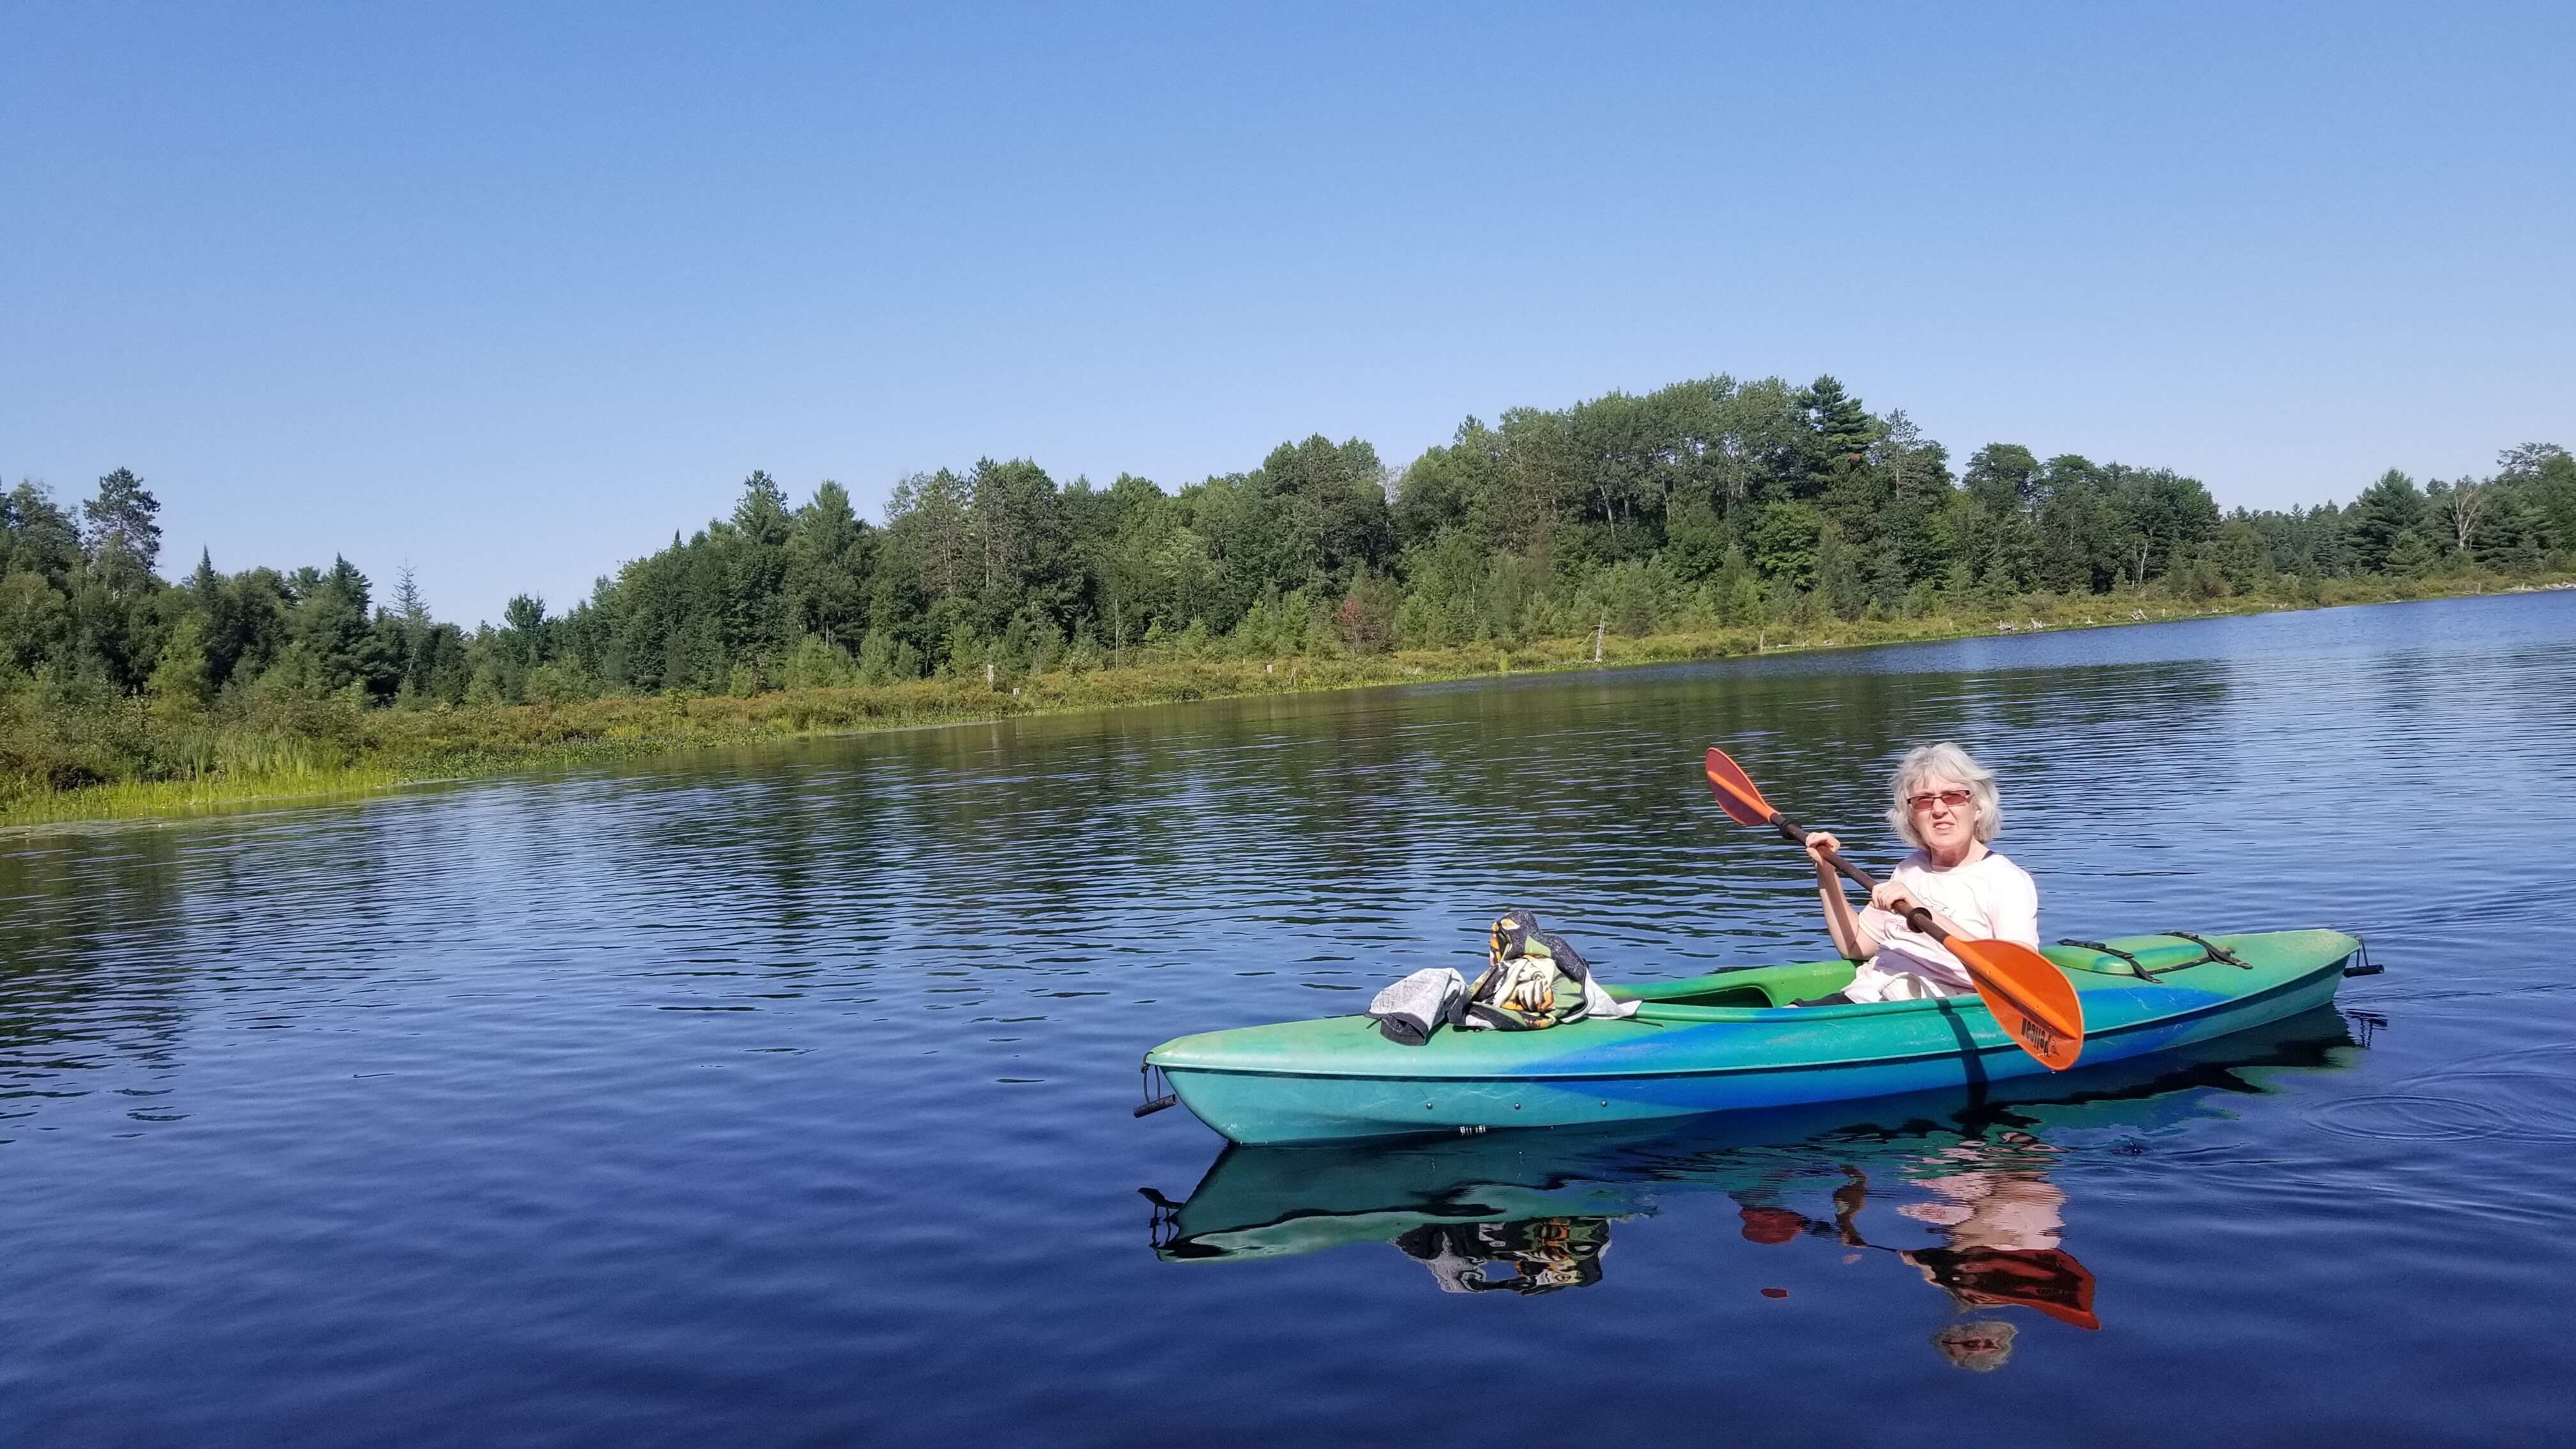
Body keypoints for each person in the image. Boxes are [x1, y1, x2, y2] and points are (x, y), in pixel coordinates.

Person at [1798, 742, 2038, 1005]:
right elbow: (1855, 945)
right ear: (1912, 816)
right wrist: (1827, 870)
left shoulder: (2006, 880)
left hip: (1926, 1013)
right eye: (1924, 801)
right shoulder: (1908, 870)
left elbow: (2021, 978)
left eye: (1953, 796)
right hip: (1865, 998)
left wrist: (1920, 909)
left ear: (1978, 807)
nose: (1938, 810)